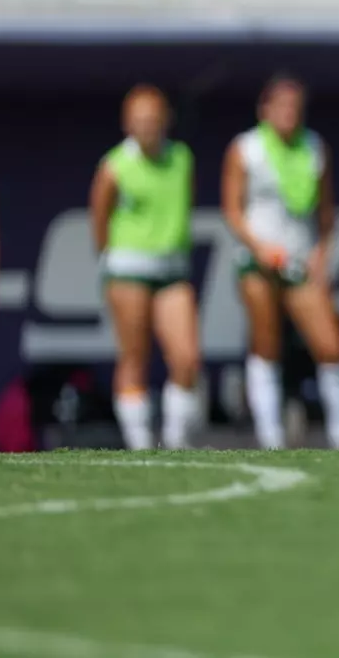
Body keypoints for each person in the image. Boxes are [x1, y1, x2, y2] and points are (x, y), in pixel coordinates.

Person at [222, 74, 339, 449]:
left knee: (331, 346)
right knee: (266, 343)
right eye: (280, 106)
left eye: (295, 107)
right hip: (258, 260)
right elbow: (233, 210)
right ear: (263, 109)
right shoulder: (245, 148)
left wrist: (321, 254)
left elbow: (326, 212)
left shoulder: (315, 147)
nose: (288, 114)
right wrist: (260, 247)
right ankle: (271, 436)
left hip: (300, 260)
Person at [89, 85, 202, 451]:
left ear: (166, 120)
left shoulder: (182, 158)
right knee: (135, 357)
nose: (147, 126)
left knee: (186, 358)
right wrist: (112, 261)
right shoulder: (114, 165)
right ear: (126, 123)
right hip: (128, 268)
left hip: (172, 269)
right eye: (139, 119)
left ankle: (175, 438)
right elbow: (100, 219)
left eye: (153, 118)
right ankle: (139, 443)